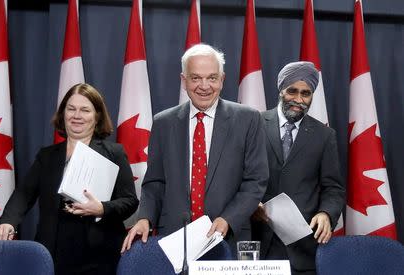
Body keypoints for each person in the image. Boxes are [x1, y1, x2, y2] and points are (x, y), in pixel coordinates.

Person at [121, 44, 269, 254]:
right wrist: (145, 217)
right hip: (174, 239)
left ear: (222, 79)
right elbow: (155, 182)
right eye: (196, 78)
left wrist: (228, 218)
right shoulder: (163, 122)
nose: (204, 85)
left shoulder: (248, 119)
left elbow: (256, 181)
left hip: (228, 236)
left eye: (212, 78)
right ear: (184, 80)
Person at [0, 83, 139, 275]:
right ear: (63, 114)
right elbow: (23, 194)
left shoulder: (114, 153)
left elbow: (130, 201)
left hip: (99, 257)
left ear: (97, 116)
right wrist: (8, 222)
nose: (77, 115)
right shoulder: (47, 156)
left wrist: (102, 208)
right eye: (71, 109)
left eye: (85, 110)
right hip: (51, 256)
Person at [251, 61, 345, 275]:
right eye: (292, 91)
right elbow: (235, 176)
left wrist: (326, 213)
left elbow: (333, 188)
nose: (298, 100)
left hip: (303, 250)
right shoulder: (253, 123)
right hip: (257, 242)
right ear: (281, 90)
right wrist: (249, 204)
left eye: (306, 93)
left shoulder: (324, 135)